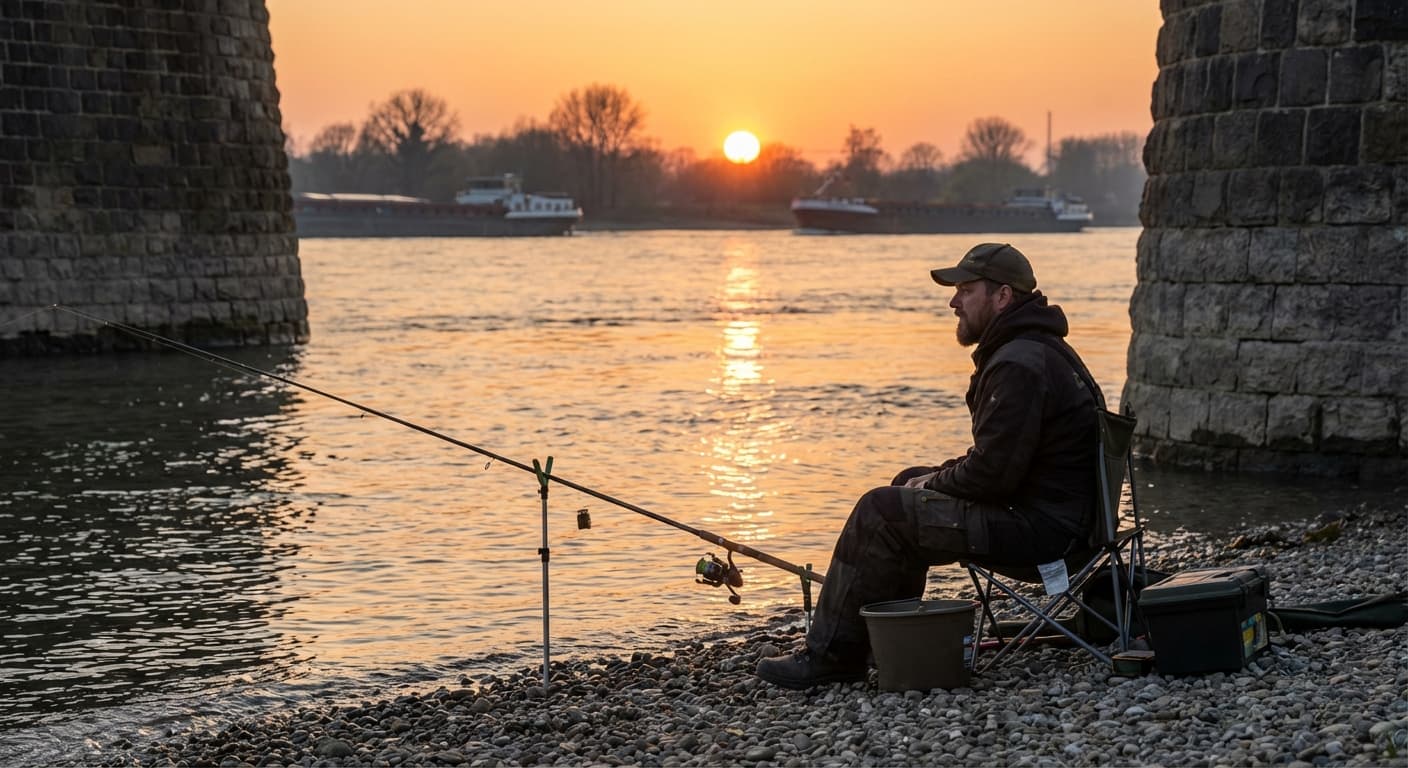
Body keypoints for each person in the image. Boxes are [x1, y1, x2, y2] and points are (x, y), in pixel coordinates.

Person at [755, 242, 1104, 690]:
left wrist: (935, 481)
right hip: (1057, 516)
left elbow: (993, 476)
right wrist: (927, 479)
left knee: (881, 511)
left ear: (1002, 297)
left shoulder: (1020, 363)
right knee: (904, 486)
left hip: (1042, 534)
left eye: (966, 290)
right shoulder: (1037, 350)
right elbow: (1005, 461)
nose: (954, 302)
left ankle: (831, 657)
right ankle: (889, 638)